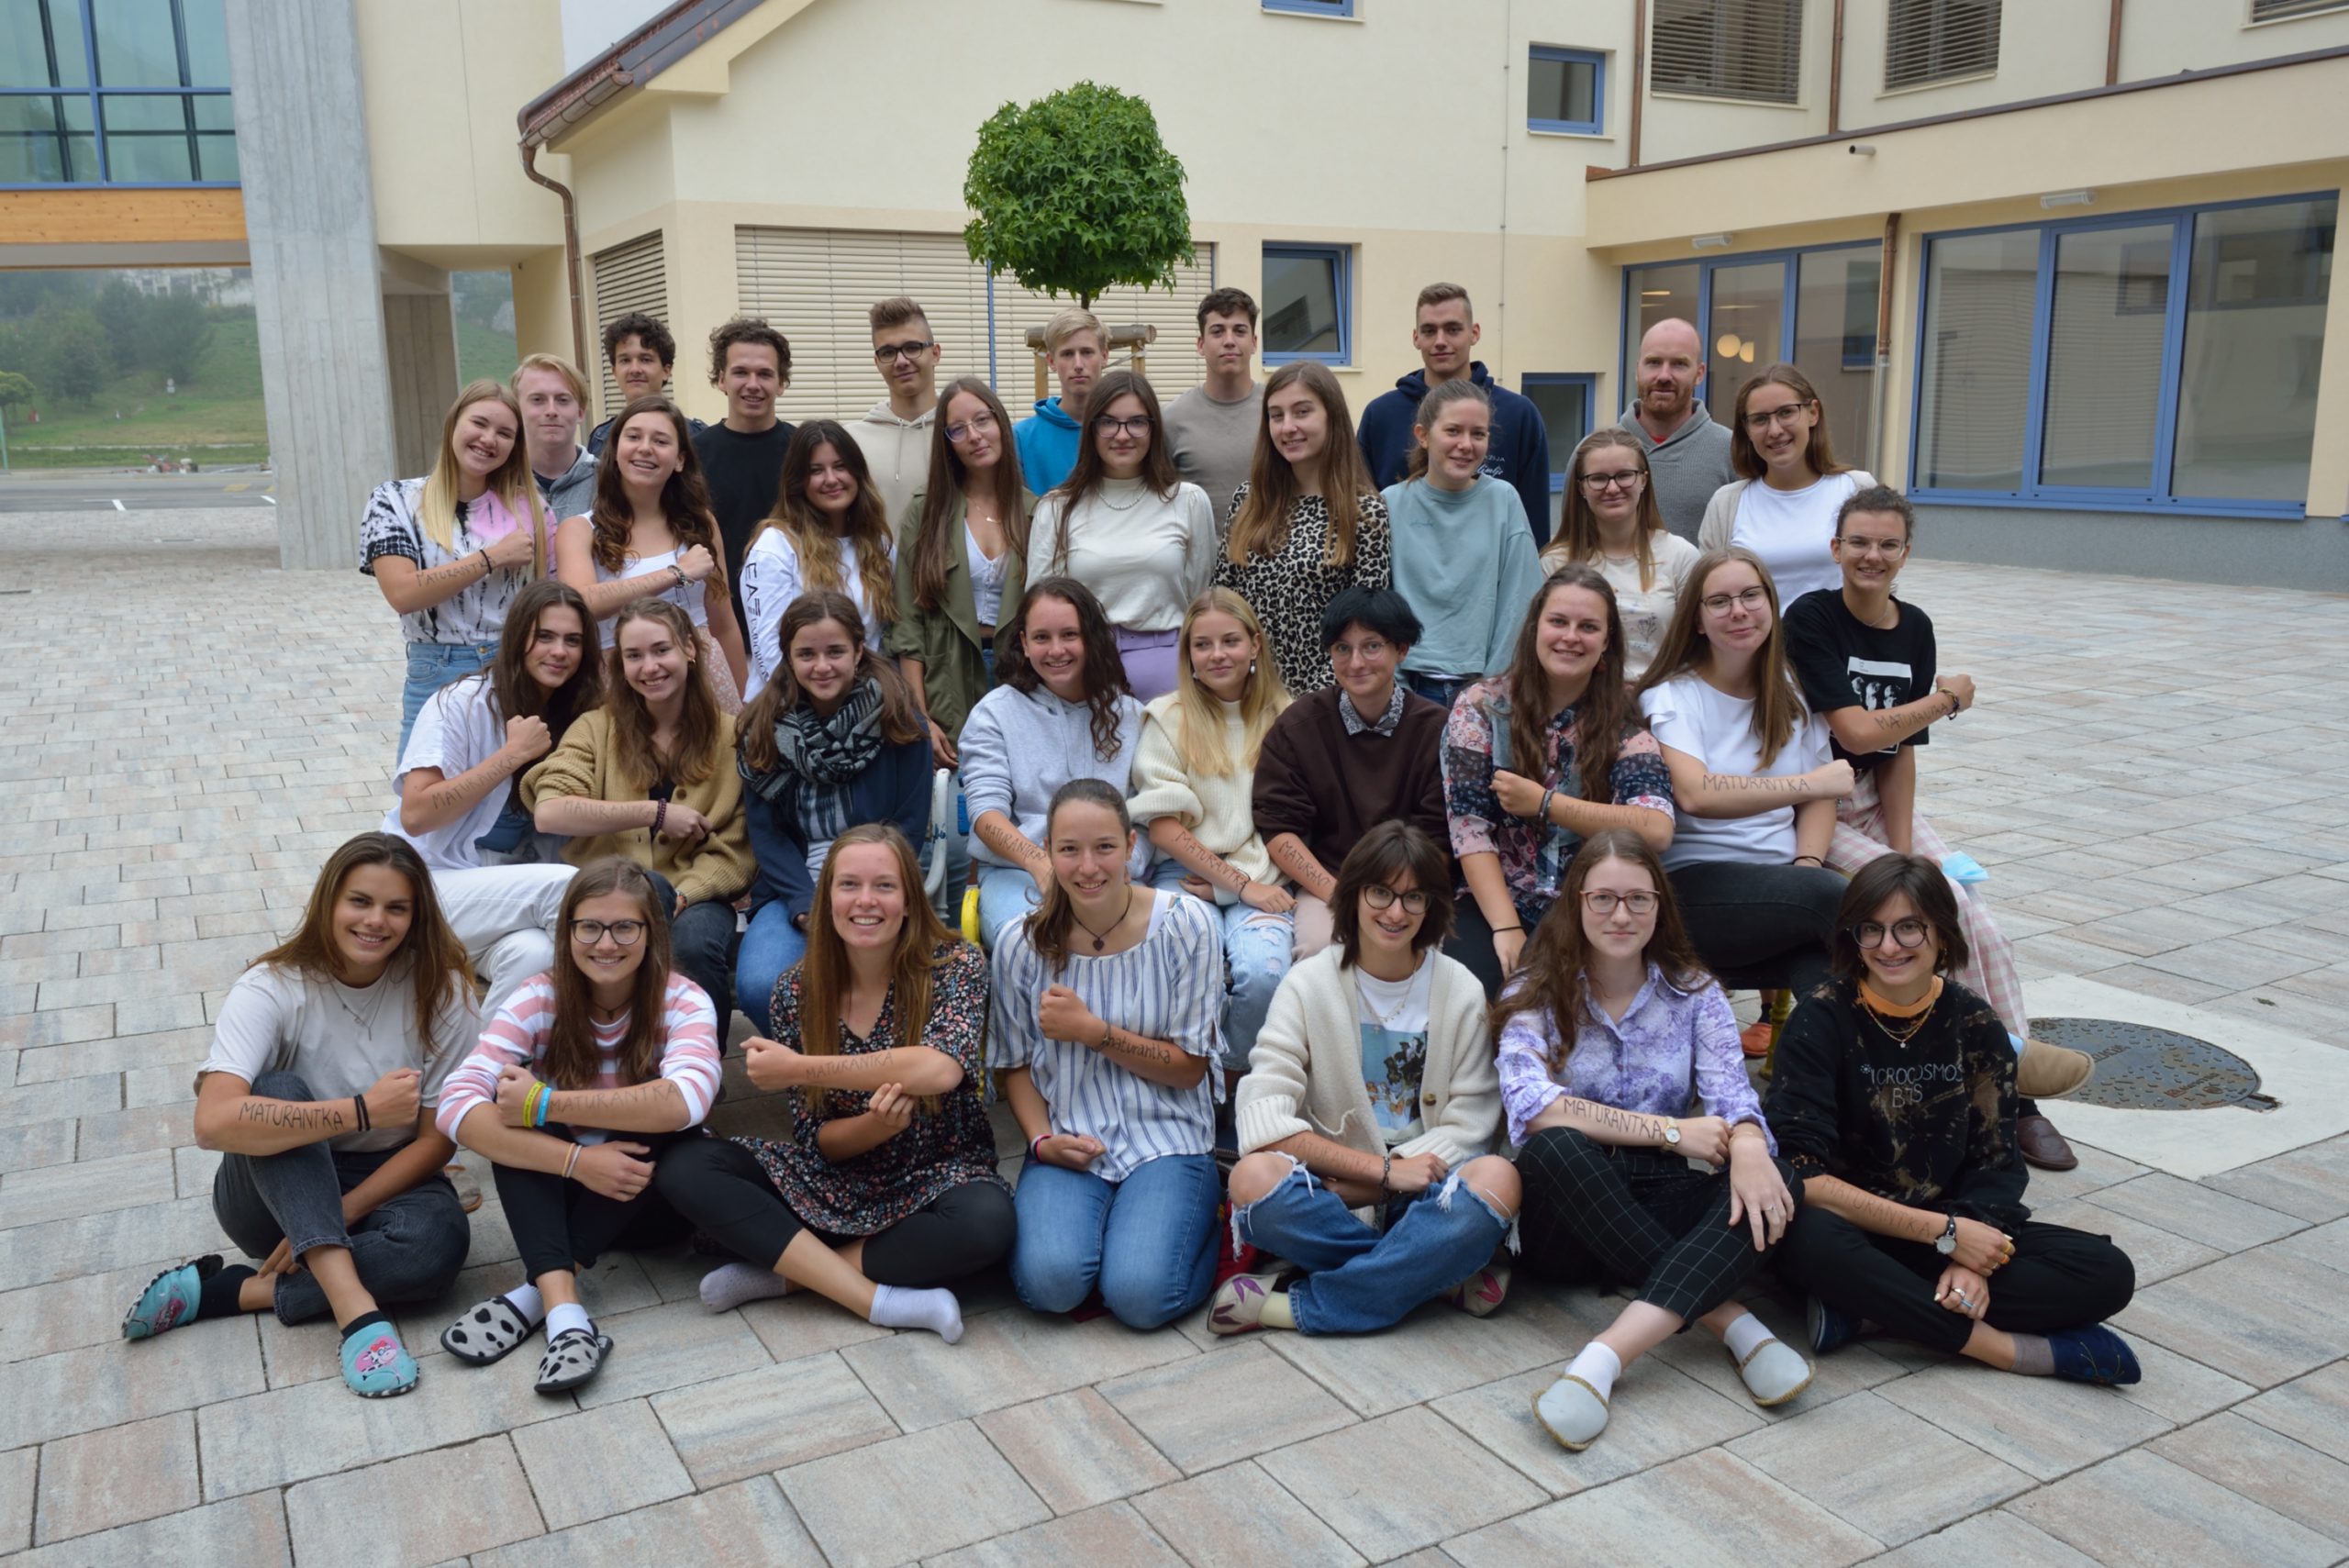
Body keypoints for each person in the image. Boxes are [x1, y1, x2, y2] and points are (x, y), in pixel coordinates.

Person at [1783, 486, 2084, 1172]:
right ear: (1835, 548)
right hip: (1813, 805)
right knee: (1924, 911)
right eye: (1859, 542)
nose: (1873, 555)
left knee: (1973, 917)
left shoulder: (1914, 627)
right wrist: (1946, 698)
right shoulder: (1812, 617)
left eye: (1888, 544)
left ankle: (2011, 1088)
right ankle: (1995, 1088)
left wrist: (1902, 853)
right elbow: (1857, 731)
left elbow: (1897, 752)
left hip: (1875, 800)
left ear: (1906, 552)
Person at [119, 834, 474, 1399]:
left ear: (416, 917)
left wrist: (342, 1212)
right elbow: (213, 1122)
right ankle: (358, 1315)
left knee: (437, 1249)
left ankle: (229, 1292)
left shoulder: (442, 990)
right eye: (360, 901)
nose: (375, 921)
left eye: (396, 908)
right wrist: (361, 1111)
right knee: (277, 1090)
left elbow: (437, 1142)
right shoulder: (272, 986)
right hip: (272, 1186)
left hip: (386, 1176)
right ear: (329, 901)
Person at [1766, 857, 2141, 1384]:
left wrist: (1971, 1256)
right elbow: (1801, 1171)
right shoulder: (1821, 1016)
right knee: (1805, 1239)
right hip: (1851, 1227)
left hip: (1942, 1228)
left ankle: (1870, 1309)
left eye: (1908, 927)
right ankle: (2003, 1349)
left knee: (2106, 1272)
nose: (1888, 947)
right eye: (1871, 929)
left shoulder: (1973, 1019)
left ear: (1942, 932)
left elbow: (1997, 1162)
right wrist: (1947, 1236)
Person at [1499, 832, 1813, 1451]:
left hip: (1661, 1193)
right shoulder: (1532, 990)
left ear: (1659, 906)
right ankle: (1730, 1320)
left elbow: (1733, 1097)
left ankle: (1603, 1357)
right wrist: (1671, 1131)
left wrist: (1750, 1142)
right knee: (1554, 1148)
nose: (1621, 915)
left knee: (1780, 1180)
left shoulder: (1696, 994)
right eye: (1604, 898)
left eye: (1638, 899)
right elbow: (1532, 1106)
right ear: (1576, 901)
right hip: (1568, 1216)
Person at [658, 826, 1012, 1343]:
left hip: (941, 1175)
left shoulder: (955, 964)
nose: (865, 901)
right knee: (686, 1165)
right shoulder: (796, 990)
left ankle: (789, 1276)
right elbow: (818, 1141)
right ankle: (873, 1293)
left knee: (987, 1223)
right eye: (849, 885)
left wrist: (801, 1068)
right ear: (826, 899)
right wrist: (875, 1127)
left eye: (884, 886)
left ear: (909, 901)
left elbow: (939, 1068)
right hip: (834, 1183)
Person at [1212, 822, 1518, 1335]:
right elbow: (1263, 1119)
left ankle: (1292, 1307)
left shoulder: (1460, 989)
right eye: (1381, 892)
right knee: (1251, 1179)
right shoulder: (1308, 984)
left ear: (1430, 907)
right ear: (1353, 894)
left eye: (1413, 897)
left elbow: (1473, 1124)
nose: (1396, 913)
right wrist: (1380, 1173)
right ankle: (1431, 1273)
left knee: (1499, 1179)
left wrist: (1392, 1180)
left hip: (1424, 1191)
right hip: (1336, 1195)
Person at [434, 859, 722, 1394]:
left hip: (650, 1204)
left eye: (624, 927)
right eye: (589, 926)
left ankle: (533, 1296)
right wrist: (577, 1162)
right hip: (561, 1196)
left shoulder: (683, 998)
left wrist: (545, 1103)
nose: (605, 944)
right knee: (512, 1127)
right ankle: (566, 1316)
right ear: (566, 932)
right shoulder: (539, 996)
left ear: (651, 933)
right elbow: (455, 1103)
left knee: (662, 1119)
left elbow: (690, 1099)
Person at [994, 780, 1225, 1330]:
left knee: (1141, 1297)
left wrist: (1094, 1032)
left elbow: (1190, 1068)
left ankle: (1212, 1225)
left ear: (1131, 847)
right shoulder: (1019, 943)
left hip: (1168, 1132)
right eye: (1069, 849)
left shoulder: (1187, 925)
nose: (1087, 867)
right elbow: (1014, 1063)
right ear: (1048, 851)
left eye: (1104, 847)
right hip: (1070, 1133)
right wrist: (1041, 1142)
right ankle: (1119, 1235)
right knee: (1049, 1286)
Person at [1442, 568, 1675, 998]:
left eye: (1588, 627)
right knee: (1466, 993)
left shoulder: (1624, 719)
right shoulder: (1480, 708)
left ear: (1606, 641)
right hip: (1497, 897)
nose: (1571, 637)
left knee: (1559, 1001)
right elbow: (1469, 829)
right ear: (1535, 626)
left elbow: (1656, 828)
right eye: (1558, 621)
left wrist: (1546, 803)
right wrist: (1506, 927)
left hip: (1591, 903)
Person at [1633, 550, 1852, 1002]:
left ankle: (1827, 1051)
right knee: (1843, 903)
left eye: (1751, 595)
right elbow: (1696, 794)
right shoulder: (1673, 695)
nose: (1739, 611)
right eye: (1719, 601)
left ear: (1771, 603)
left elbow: (1820, 801)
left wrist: (1806, 867)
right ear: (1697, 620)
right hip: (1695, 888)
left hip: (1785, 887)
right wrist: (1811, 784)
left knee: (1830, 974)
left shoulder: (1789, 691)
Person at [522, 598, 751, 1024]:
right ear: (621, 665)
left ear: (689, 648)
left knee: (693, 944)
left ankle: (699, 1059)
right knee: (622, 928)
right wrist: (655, 813)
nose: (649, 667)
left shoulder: (732, 737)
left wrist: (683, 896)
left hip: (696, 894)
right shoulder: (595, 728)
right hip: (605, 892)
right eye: (634, 656)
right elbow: (550, 811)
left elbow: (737, 849)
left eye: (661, 650)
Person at [384, 578, 594, 1022]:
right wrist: (510, 756)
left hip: (499, 892)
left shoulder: (580, 715)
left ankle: (488, 1059)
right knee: (569, 888)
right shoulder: (461, 703)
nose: (559, 651)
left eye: (572, 641)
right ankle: (617, 1028)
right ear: (517, 639)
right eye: (545, 637)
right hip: (428, 881)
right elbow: (416, 814)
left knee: (534, 954)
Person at [734, 593, 933, 1033]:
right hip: (794, 889)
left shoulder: (901, 721)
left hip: (881, 882)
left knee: (886, 986)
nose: (822, 666)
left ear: (859, 651)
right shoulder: (762, 730)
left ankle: (868, 1067)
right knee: (762, 985)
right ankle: (809, 1067)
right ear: (788, 657)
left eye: (835, 652)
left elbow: (909, 826)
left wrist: (864, 893)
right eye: (807, 654)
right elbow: (768, 837)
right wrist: (807, 906)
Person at [1128, 588, 1295, 1077]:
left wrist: (1237, 887)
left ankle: (1233, 1078)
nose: (1217, 654)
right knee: (1182, 968)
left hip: (1264, 873)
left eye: (1230, 641)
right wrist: (1233, 884)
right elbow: (1164, 828)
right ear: (1188, 655)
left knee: (1264, 977)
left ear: (1255, 645)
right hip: (1185, 873)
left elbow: (1296, 821)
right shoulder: (1168, 717)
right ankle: (1189, 1078)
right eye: (1202, 644)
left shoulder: (1287, 716)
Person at [1253, 586, 1450, 960]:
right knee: (1319, 950)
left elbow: (1438, 839)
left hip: (1412, 887)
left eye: (1371, 646)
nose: (1356, 662)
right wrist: (1342, 895)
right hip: (1328, 884)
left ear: (1401, 650)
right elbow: (1278, 829)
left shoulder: (1438, 730)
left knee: (1423, 955)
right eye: (1342, 649)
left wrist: (1390, 901)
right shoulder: (1299, 726)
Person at [363, 380, 554, 756]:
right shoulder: (394, 500)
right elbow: (402, 593)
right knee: (424, 790)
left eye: (504, 433)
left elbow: (553, 600)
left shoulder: (533, 509)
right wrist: (492, 557)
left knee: (515, 790)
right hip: (436, 667)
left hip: (514, 668)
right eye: (479, 423)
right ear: (454, 423)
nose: (489, 439)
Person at [960, 578, 1144, 946]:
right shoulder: (994, 714)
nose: (1056, 650)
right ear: (1025, 643)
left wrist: (1122, 865)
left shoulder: (1131, 716)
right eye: (1042, 637)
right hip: (1019, 875)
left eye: (1069, 635)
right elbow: (986, 813)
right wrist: (1040, 864)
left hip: (1115, 876)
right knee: (1037, 941)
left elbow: (1147, 813)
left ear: (1091, 638)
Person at [553, 394, 751, 711]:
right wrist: (676, 574)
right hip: (624, 679)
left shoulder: (701, 524)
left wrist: (745, 705)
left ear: (680, 460)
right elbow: (584, 603)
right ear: (615, 451)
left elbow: (724, 624)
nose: (645, 448)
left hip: (703, 676)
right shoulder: (580, 529)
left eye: (660, 441)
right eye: (634, 437)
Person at [1030, 370, 1218, 702]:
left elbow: (1199, 599)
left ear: (1154, 428)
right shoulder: (1057, 508)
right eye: (1109, 423)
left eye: (1136, 422)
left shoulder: (1188, 501)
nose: (1122, 435)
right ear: (1091, 429)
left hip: (1167, 670)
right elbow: (1040, 604)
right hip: (1083, 669)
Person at [1211, 361, 1391, 697]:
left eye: (1302, 412)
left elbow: (1364, 628)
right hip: (1247, 695)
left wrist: (1305, 708)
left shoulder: (1364, 512)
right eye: (1276, 416)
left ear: (1331, 417)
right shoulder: (1249, 501)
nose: (1288, 427)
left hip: (1324, 702)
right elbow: (1222, 600)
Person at [890, 375, 1033, 764]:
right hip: (947, 679)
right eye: (958, 428)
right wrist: (919, 715)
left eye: (982, 420)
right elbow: (907, 626)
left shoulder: (1035, 511)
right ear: (947, 442)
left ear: (1001, 422)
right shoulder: (926, 512)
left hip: (1019, 676)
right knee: (954, 792)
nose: (974, 435)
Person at [1383, 378, 1546, 709]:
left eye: (1478, 434)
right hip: (1410, 688)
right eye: (1453, 431)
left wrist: (1491, 689)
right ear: (1423, 435)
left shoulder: (1503, 501)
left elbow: (1520, 602)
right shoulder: (1391, 504)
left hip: (1484, 691)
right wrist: (1395, 688)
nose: (1466, 444)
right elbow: (1378, 600)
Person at [1356, 283, 1553, 546]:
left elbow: (1534, 521)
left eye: (1453, 329)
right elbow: (1362, 514)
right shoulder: (1380, 415)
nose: (1440, 341)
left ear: (1474, 333)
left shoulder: (1519, 414)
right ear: (1416, 337)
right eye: (1429, 331)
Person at [740, 419, 898, 699]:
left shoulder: (878, 545)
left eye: (840, 466)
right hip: (787, 707)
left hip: (864, 705)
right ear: (798, 481)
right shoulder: (775, 547)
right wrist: (820, 711)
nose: (831, 479)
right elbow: (769, 655)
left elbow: (881, 642)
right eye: (816, 471)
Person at [1698, 362, 1877, 606]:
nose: (1774, 430)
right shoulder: (1727, 503)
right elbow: (1710, 594)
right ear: (1747, 429)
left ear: (1813, 413)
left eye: (1786, 413)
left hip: (1837, 632)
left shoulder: (1857, 488)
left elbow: (1880, 579)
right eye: (1760, 419)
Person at [1542, 428, 1701, 684]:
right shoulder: (1555, 563)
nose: (1613, 488)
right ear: (1581, 487)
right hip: (1582, 700)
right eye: (1598, 478)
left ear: (1644, 480)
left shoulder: (1681, 556)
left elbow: (1699, 648)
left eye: (1625, 476)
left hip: (1663, 699)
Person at [691, 317, 797, 627]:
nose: (753, 384)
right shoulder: (693, 456)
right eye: (741, 372)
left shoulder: (804, 452)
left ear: (781, 383)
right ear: (721, 380)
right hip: (717, 620)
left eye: (764, 374)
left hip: (795, 618)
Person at [1618, 319, 1734, 543]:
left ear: (1699, 373)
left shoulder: (1732, 451)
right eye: (1653, 362)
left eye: (1679, 364)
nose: (1664, 376)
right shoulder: (1594, 453)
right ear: (1637, 370)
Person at [1163, 286, 1263, 521]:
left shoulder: (1278, 412)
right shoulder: (1171, 419)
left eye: (1239, 331)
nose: (1229, 341)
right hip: (1198, 546)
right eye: (1217, 332)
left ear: (1254, 343)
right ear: (1200, 345)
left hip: (1272, 546)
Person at [850, 295, 943, 528]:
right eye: (888, 352)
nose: (901, 361)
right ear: (877, 362)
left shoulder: (964, 433)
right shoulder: (853, 443)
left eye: (912, 348)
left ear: (935, 353)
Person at [1012, 306, 1105, 494]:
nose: (1078, 365)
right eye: (1067, 354)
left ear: (1104, 356)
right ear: (1051, 361)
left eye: (1087, 352)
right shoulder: (1021, 438)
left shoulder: (1124, 430)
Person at [588, 311, 705, 456]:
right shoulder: (600, 439)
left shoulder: (698, 437)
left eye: (645, 359)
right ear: (614, 371)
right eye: (625, 360)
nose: (635, 369)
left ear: (666, 370)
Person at [512, 352, 597, 525]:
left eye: (563, 400)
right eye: (538, 400)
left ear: (580, 412)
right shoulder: (497, 481)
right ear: (516, 410)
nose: (551, 411)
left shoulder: (609, 483)